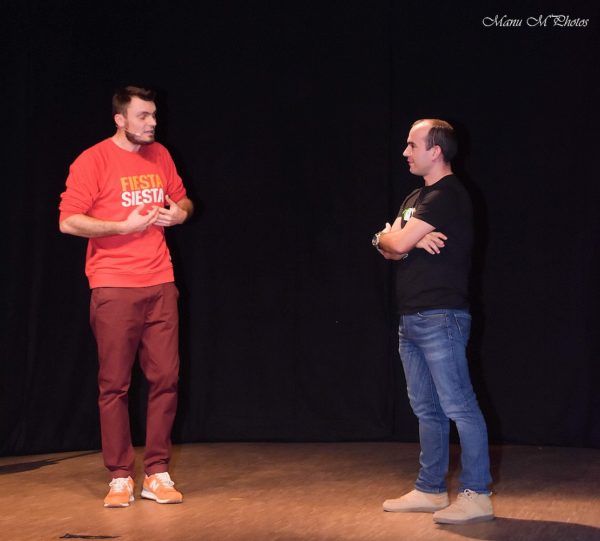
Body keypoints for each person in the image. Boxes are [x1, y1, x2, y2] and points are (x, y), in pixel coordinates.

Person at [59, 86, 193, 508]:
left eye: (153, 115)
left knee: (166, 379)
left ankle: (157, 472)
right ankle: (119, 476)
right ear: (120, 119)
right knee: (115, 384)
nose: (152, 123)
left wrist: (180, 213)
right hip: (114, 284)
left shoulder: (160, 155)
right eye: (143, 116)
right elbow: (68, 221)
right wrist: (122, 227)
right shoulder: (93, 160)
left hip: (160, 281)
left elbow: (183, 199)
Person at [372, 119, 493, 524]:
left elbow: (396, 241)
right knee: (426, 408)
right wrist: (398, 239)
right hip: (411, 318)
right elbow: (389, 246)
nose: (405, 152)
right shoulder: (415, 197)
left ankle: (477, 494)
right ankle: (430, 489)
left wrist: (401, 239)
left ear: (435, 150)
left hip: (442, 317)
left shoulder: (447, 195)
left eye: (412, 145)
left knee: (460, 405)